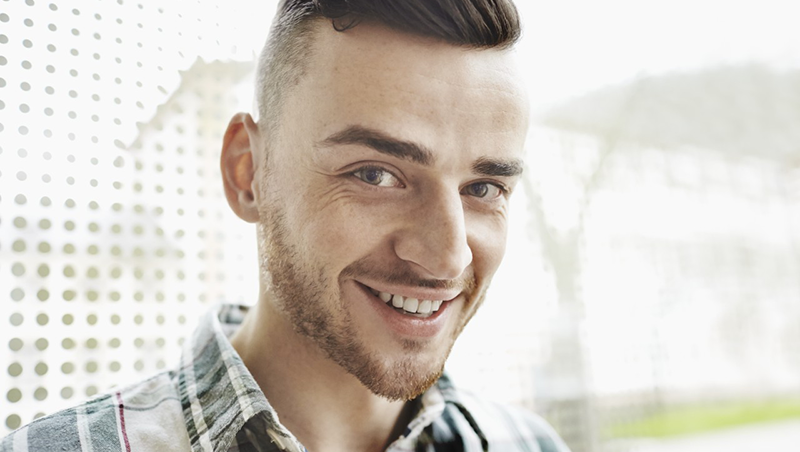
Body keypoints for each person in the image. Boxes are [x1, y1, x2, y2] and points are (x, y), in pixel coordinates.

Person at [1, 0, 571, 451]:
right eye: (375, 174)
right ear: (248, 172)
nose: (449, 257)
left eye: (484, 188)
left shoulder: (533, 445)